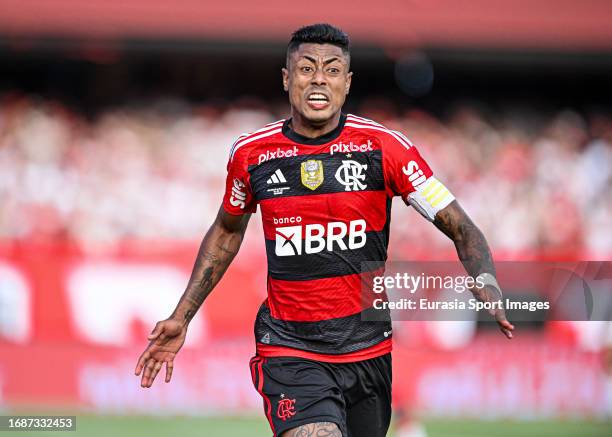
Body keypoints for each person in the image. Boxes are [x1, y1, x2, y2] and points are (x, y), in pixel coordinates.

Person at [135, 23, 514, 437]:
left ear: (347, 83)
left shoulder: (385, 148)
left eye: (332, 70)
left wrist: (486, 279)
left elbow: (460, 225)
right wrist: (182, 316)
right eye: (307, 68)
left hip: (368, 348)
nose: (319, 79)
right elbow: (227, 232)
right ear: (286, 78)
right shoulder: (252, 154)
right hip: (288, 348)